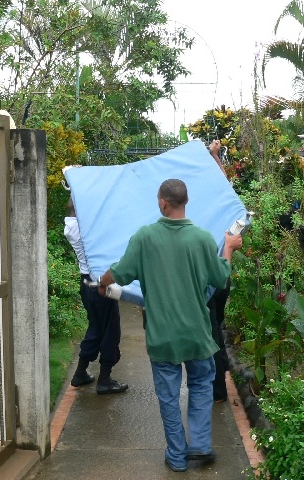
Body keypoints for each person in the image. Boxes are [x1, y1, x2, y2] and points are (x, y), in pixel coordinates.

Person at [98, 179, 242, 472]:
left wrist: (102, 282)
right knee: (201, 385)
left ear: (163, 203)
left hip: (162, 337)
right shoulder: (202, 239)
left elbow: (120, 273)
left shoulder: (145, 237)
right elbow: (220, 278)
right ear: (186, 201)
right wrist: (228, 248)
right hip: (197, 334)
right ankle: (200, 444)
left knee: (168, 398)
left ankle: (177, 457)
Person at [64, 197, 128, 395]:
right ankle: (105, 380)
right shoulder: (90, 231)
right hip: (101, 285)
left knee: (95, 327)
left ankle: (80, 373)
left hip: (86, 284)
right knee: (110, 330)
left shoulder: (71, 228)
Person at [208, 139, 233, 403]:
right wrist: (215, 155)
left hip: (210, 277)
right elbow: (224, 184)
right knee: (216, 325)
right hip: (222, 276)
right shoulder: (222, 207)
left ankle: (217, 390)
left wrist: (214, 155)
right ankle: (223, 369)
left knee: (211, 331)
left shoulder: (197, 215)